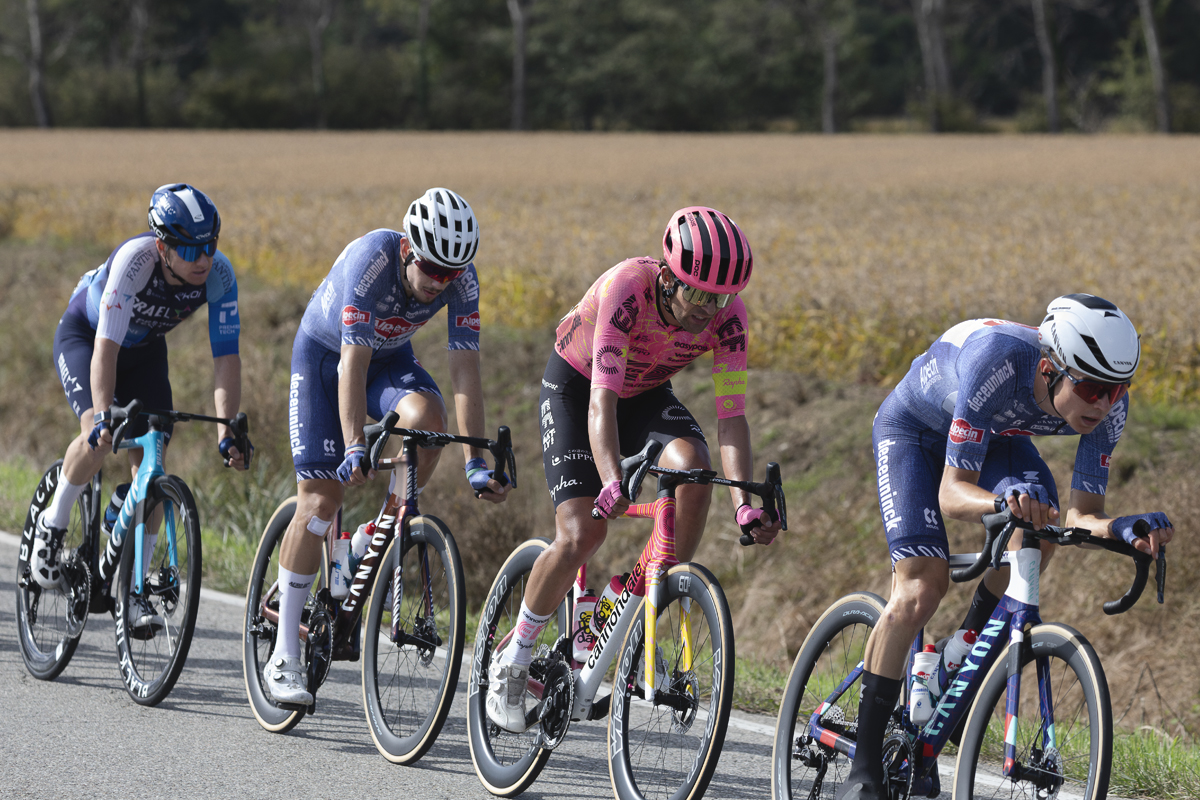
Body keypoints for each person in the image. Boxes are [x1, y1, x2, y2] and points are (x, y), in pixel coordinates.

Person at [836, 294, 1174, 800]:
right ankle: (862, 770)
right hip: (914, 432)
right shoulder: (997, 360)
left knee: (1040, 532)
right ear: (1048, 367)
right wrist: (1003, 499)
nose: (1102, 403)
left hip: (996, 436)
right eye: (1089, 387)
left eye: (1116, 389)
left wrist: (1122, 529)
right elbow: (952, 492)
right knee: (921, 589)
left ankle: (962, 647)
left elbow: (1081, 515)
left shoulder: (1108, 408)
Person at [485, 206, 783, 732]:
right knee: (582, 532)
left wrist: (743, 506)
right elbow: (601, 404)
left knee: (693, 469)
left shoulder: (728, 320)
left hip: (644, 394)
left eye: (720, 298)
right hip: (579, 390)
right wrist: (610, 482)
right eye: (699, 295)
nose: (708, 309)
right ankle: (515, 657)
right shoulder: (629, 287)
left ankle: (645, 607)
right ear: (667, 278)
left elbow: (732, 417)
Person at [265, 187, 510, 705]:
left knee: (430, 421)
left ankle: (365, 542)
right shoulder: (372, 260)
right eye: (432, 270)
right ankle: (284, 650)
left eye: (452, 272)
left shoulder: (461, 278)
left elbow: (465, 372)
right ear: (408, 251)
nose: (440, 282)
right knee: (321, 499)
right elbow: (350, 367)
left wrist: (476, 463)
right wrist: (355, 446)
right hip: (326, 359)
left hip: (389, 360)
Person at [32, 183, 249, 636]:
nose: (202, 258)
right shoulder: (134, 262)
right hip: (88, 341)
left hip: (147, 352)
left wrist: (226, 430)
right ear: (162, 246)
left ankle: (133, 592)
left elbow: (226, 356)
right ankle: (52, 528)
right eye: (189, 248)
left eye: (209, 245)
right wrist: (100, 414)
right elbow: (105, 349)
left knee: (150, 467)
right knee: (97, 435)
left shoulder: (219, 276)